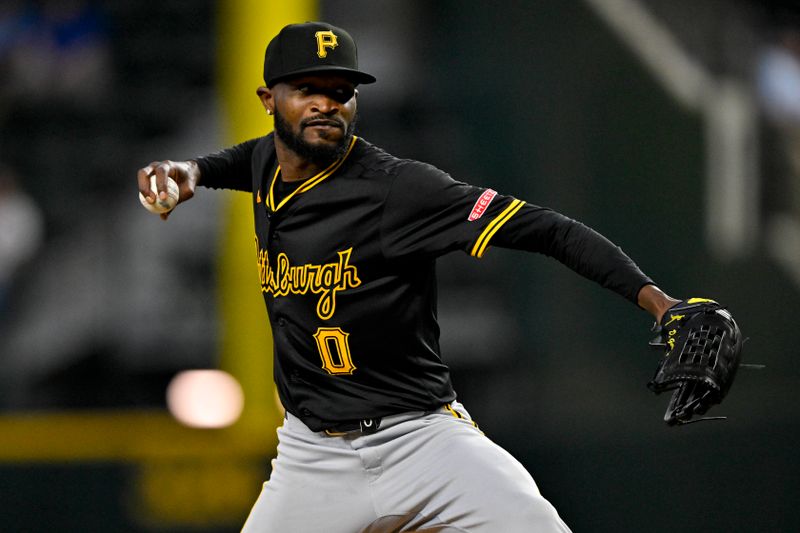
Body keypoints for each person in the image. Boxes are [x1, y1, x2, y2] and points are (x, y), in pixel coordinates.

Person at [138, 21, 680, 533]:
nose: (327, 103)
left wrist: (660, 303)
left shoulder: (400, 189)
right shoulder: (267, 164)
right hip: (313, 455)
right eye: (308, 88)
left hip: (421, 439)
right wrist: (191, 172)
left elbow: (547, 230)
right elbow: (242, 160)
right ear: (268, 100)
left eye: (342, 90)